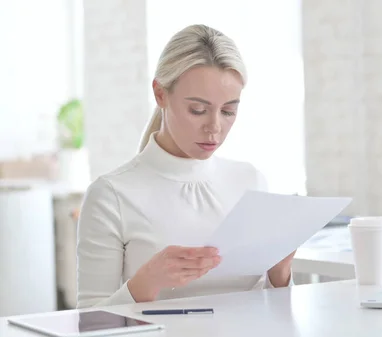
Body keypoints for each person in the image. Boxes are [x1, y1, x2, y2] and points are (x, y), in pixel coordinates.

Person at [76, 24, 294, 309]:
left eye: (229, 111)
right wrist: (146, 283)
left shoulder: (250, 181)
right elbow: (91, 325)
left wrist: (280, 275)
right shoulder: (111, 195)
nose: (214, 127)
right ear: (160, 94)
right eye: (198, 110)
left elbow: (277, 315)